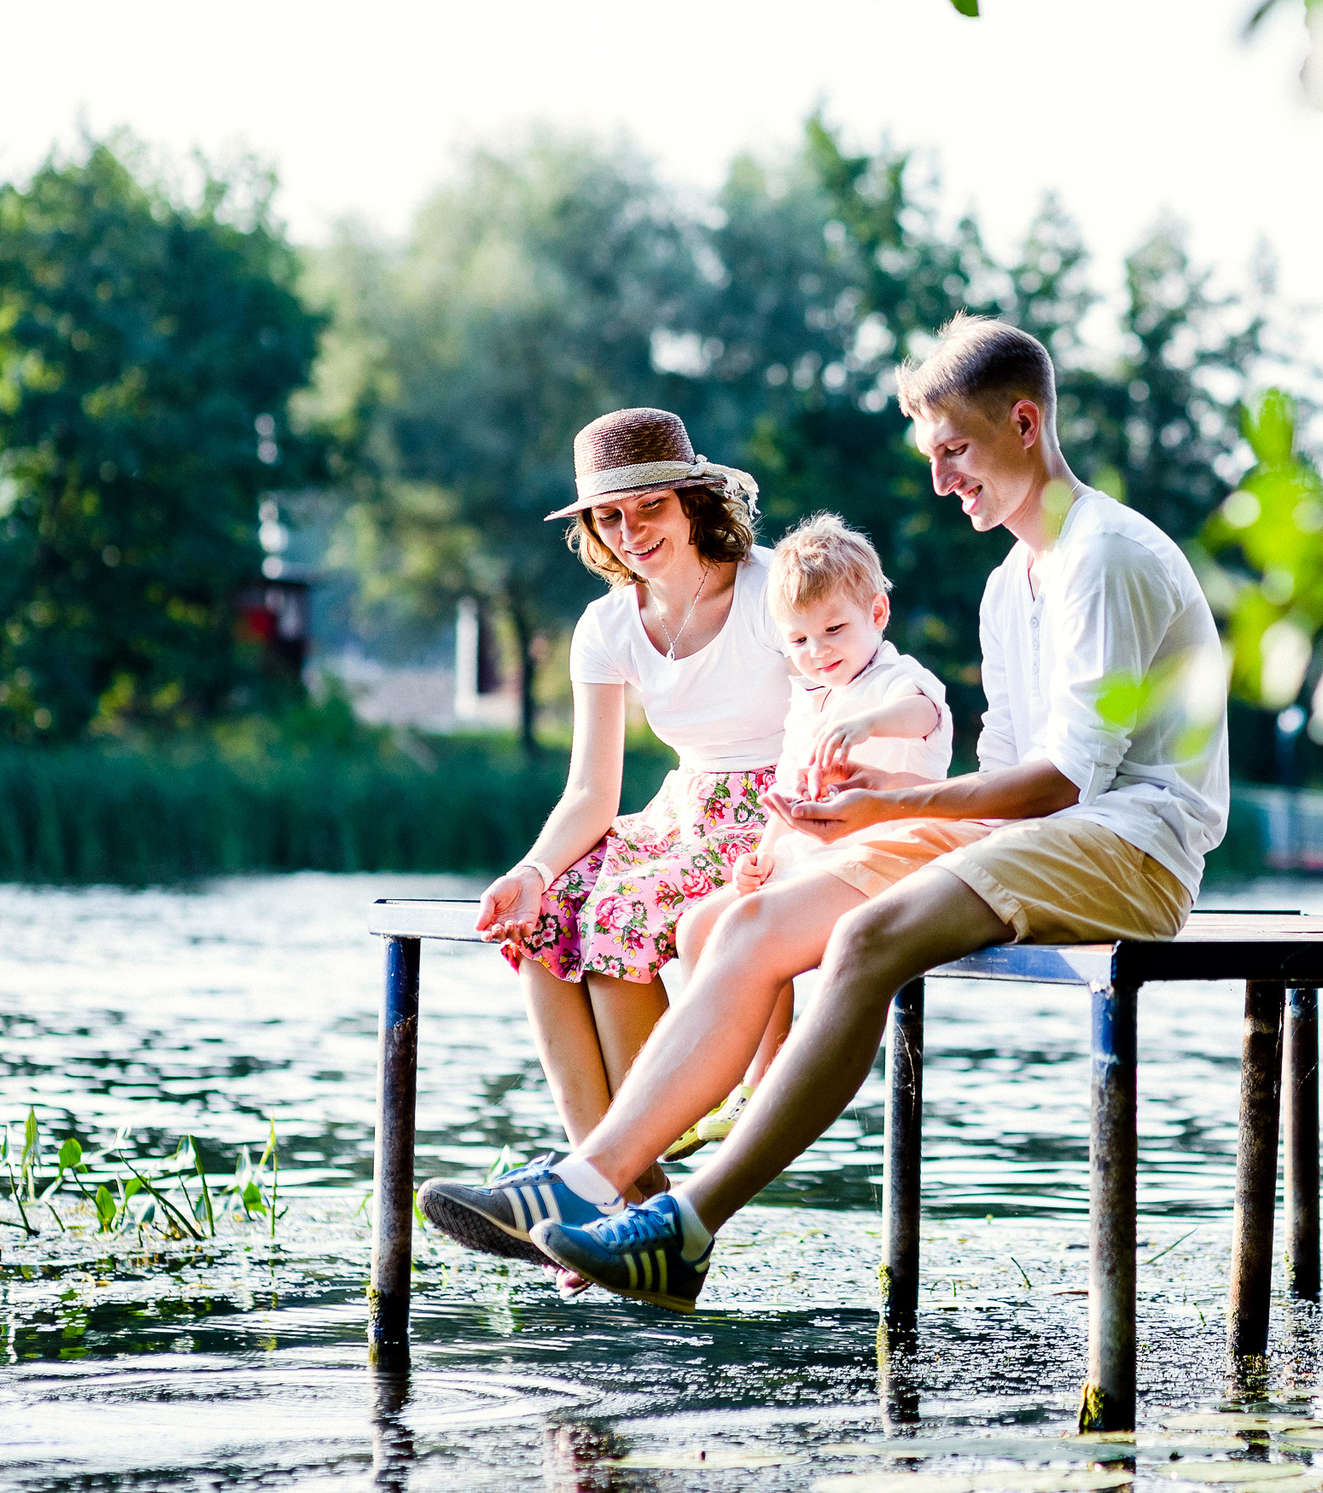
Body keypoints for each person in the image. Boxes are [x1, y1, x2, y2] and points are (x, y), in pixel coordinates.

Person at [418, 315, 1230, 1311]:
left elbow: (1067, 781)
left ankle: (683, 1225)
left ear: (1024, 422)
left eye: (955, 450)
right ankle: (585, 1184)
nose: (942, 480)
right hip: (1040, 838)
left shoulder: (1099, 556)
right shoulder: (1007, 581)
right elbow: (1008, 765)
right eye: (932, 456)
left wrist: (893, 804)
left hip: (1130, 847)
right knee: (752, 922)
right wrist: (865, 832)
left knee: (864, 938)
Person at [458, 407, 794, 1237]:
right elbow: (590, 795)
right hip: (682, 811)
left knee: (621, 915)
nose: (631, 530)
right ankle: (613, 1206)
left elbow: (844, 695)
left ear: (690, 500)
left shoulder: (770, 587)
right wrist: (532, 873)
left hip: (782, 812)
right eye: (610, 515)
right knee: (543, 926)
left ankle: (619, 1200)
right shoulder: (607, 626)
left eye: (649, 506)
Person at [659, 511, 969, 1160]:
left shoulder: (895, 680)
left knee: (754, 935)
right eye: (798, 640)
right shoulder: (808, 699)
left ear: (876, 615)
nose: (818, 650)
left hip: (883, 860)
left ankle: (757, 1081)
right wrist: (760, 856)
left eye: (834, 630)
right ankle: (722, 1074)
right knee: (697, 928)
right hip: (803, 865)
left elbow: (925, 715)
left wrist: (866, 726)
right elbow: (789, 793)